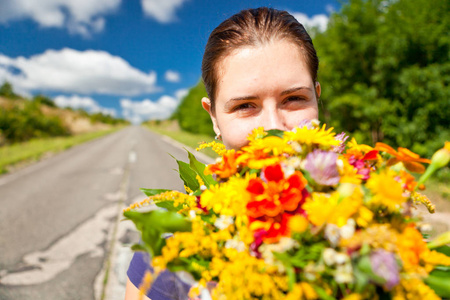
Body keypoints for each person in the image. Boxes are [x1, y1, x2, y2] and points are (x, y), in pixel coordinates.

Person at [125, 7, 321, 299]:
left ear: (317, 98)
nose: (272, 129)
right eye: (245, 106)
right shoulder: (167, 262)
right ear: (214, 117)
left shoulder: (383, 234)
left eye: (294, 99)